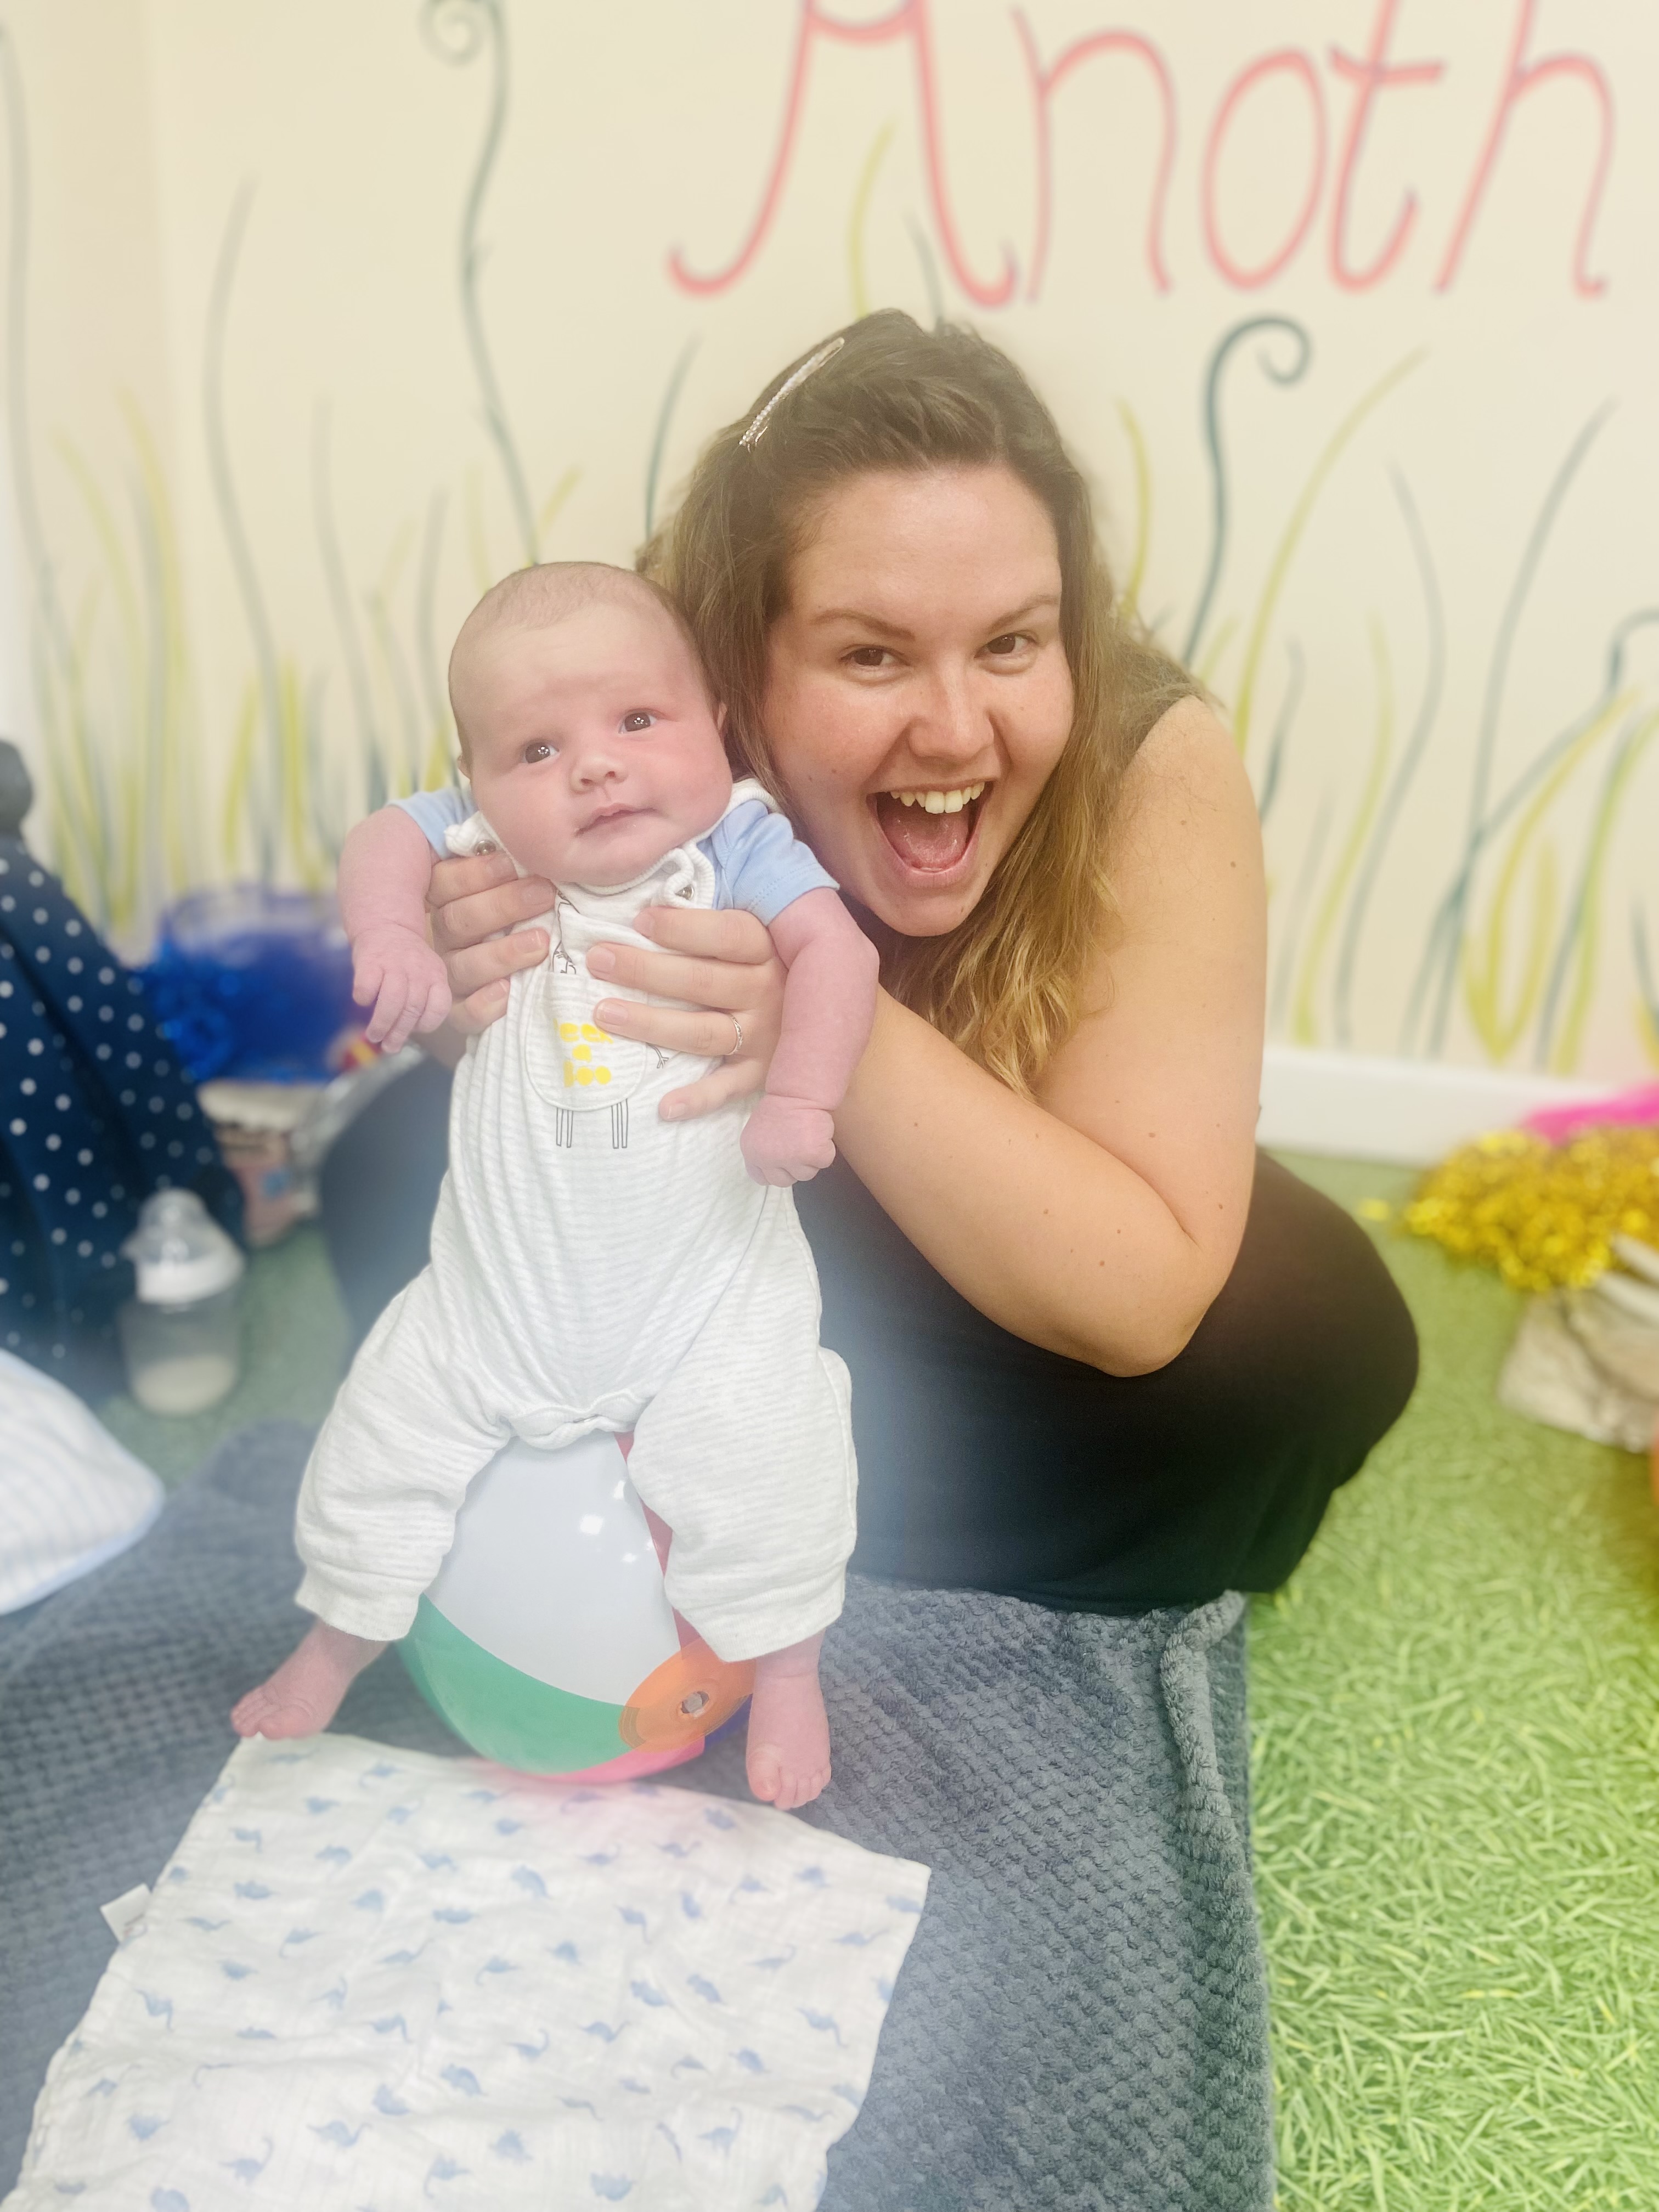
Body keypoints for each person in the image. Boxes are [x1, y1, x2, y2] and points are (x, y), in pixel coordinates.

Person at [323, 307, 1417, 1634]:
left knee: (1306, 1349)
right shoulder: (640, 721)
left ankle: (723, 1489)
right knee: (386, 1174)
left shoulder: (1150, 762)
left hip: (999, 1214)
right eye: (871, 654)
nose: (954, 730)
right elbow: (508, 1041)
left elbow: (1138, 1299)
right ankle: (721, 1476)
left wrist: (817, 1008)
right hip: (700, 1196)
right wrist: (464, 983)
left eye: (1012, 642)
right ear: (737, 675)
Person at [234, 562, 879, 1810]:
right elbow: (383, 839)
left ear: (715, 727)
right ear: (475, 784)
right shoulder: (479, 844)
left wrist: (802, 1097)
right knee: (380, 1435)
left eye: (638, 720)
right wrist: (393, 934)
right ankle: (337, 1637)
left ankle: (789, 1670)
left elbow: (836, 953)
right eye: (537, 749)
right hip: (497, 1300)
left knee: (776, 1453)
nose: (595, 766)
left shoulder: (737, 846)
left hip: (706, 1294)